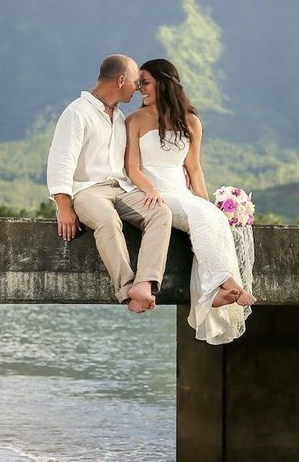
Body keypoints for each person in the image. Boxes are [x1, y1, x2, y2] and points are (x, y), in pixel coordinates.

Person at [124, 58, 255, 344]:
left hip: (181, 192)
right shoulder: (134, 120)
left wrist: (207, 204)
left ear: (163, 81)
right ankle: (227, 283)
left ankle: (214, 293)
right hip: (152, 193)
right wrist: (150, 189)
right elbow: (131, 168)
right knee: (198, 216)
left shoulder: (191, 121)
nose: (139, 89)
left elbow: (194, 168)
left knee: (210, 217)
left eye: (144, 82)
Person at [46, 54, 172, 313]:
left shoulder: (119, 117)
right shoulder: (77, 113)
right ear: (121, 80)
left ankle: (145, 283)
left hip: (121, 189)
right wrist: (64, 206)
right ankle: (127, 290)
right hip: (87, 190)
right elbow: (61, 161)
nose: (138, 87)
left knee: (160, 212)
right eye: (136, 81)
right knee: (108, 220)